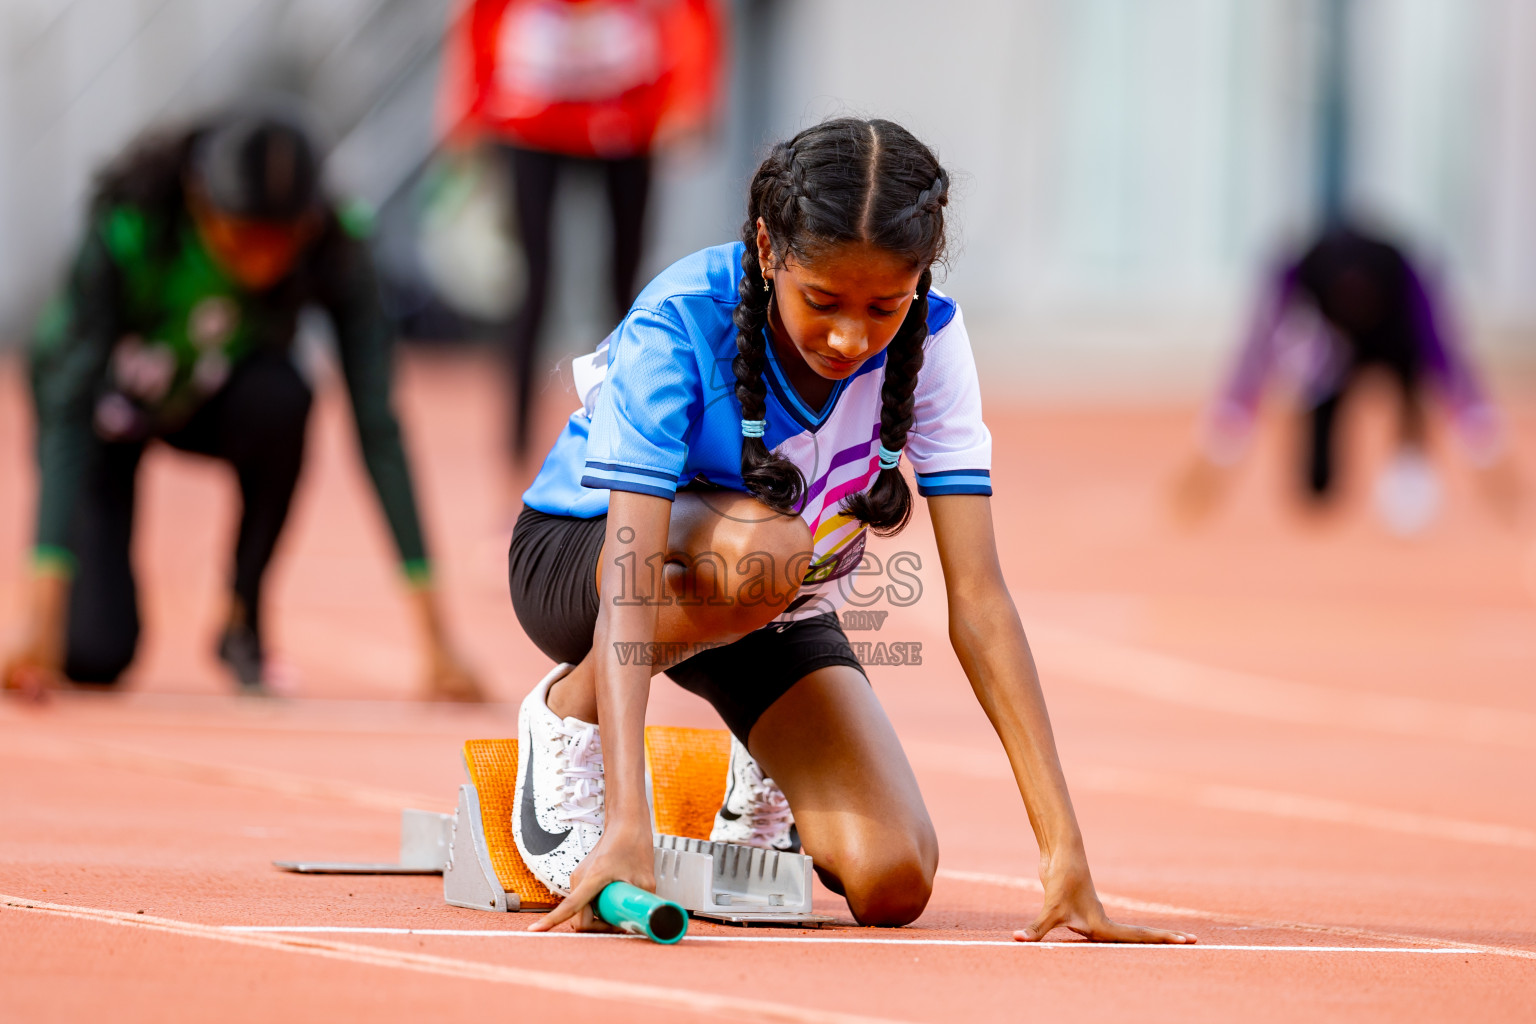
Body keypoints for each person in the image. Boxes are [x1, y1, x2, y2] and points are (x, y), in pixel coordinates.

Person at [504, 117, 1197, 942]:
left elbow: (979, 598)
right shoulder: (684, 316)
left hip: (776, 597)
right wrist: (628, 817)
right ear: (768, 250)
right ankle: (565, 722)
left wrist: (1064, 854)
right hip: (586, 563)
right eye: (823, 302)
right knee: (770, 555)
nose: (850, 337)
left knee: (893, 878)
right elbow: (630, 566)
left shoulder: (935, 341)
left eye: (884, 308)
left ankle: (759, 773)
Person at [3, 108, 483, 701]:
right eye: (242, 239)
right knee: (93, 656)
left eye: (280, 242)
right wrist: (39, 615)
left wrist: (437, 639)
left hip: (209, 391)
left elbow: (377, 423)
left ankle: (242, 616)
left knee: (284, 399)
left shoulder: (334, 245)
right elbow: (67, 407)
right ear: (201, 202)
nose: (261, 261)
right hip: (102, 412)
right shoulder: (132, 224)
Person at [439, 0, 723, 462]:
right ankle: (513, 453)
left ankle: (634, 439)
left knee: (626, 290)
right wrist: (469, 105)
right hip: (532, 117)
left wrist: (691, 95)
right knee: (532, 284)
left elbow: (694, 11)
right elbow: (481, 12)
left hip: (629, 116)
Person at [1174, 223, 1520, 533]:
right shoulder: (1301, 272)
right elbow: (1257, 353)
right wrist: (1225, 438)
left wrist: (1481, 440)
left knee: (1412, 393)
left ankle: (1409, 474)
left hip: (1396, 345)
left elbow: (1443, 354)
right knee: (1318, 471)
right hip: (1335, 347)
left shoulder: (1402, 274)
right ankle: (1320, 475)